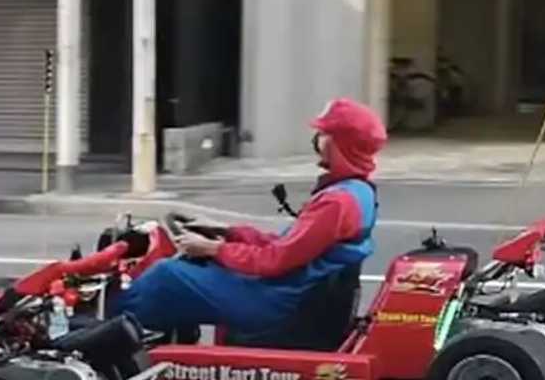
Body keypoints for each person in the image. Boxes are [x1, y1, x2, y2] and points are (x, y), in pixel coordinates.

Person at [113, 97, 385, 336]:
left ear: (340, 144)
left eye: (324, 134)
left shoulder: (337, 202)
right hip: (294, 292)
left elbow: (275, 260)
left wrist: (215, 248)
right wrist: (229, 233)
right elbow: (287, 246)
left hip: (277, 301)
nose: (318, 139)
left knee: (166, 275)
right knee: (198, 269)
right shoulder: (357, 192)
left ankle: (105, 329)